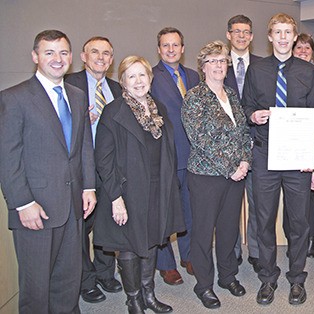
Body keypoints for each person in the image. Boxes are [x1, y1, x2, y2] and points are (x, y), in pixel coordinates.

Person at [0, 29, 96, 314]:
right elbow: (8, 156)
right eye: (49, 52)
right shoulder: (14, 98)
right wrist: (22, 204)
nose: (58, 59)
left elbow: (83, 147)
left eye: (63, 52)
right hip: (35, 209)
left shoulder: (78, 96)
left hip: (73, 205)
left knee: (68, 279)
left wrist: (88, 186)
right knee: (36, 287)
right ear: (35, 57)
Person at [241, 13, 314, 306]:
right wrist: (253, 115)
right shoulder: (256, 69)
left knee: (299, 221)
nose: (284, 37)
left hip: (297, 158)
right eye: (278, 32)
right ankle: (267, 277)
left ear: (294, 36)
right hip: (264, 154)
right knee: (263, 219)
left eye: (288, 32)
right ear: (270, 36)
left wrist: (309, 156)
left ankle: (297, 278)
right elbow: (246, 106)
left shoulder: (308, 71)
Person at [94, 56, 185, 313]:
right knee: (129, 247)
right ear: (122, 81)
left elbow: (169, 151)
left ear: (150, 78)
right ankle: (133, 298)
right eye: (131, 76)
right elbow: (103, 160)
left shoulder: (160, 109)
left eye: (142, 75)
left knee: (152, 241)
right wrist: (115, 198)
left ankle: (149, 294)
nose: (138, 81)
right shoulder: (114, 112)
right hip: (127, 191)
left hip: (157, 188)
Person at [181, 40, 252, 309]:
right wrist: (230, 167)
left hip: (236, 175)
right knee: (202, 232)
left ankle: (227, 276)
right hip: (206, 177)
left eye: (223, 61)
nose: (219, 65)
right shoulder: (195, 97)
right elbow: (200, 138)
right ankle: (204, 285)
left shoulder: (232, 95)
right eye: (213, 61)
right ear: (203, 66)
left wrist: (245, 160)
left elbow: (243, 131)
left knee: (228, 230)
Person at [65, 36, 123, 304]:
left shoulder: (117, 88)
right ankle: (85, 280)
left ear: (111, 60)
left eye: (107, 53)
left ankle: (105, 273)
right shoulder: (68, 85)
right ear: (83, 56)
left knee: (107, 224)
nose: (101, 57)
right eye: (95, 52)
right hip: (80, 170)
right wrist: (79, 122)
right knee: (79, 228)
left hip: (110, 168)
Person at [150, 27, 200, 286]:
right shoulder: (150, 77)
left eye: (175, 45)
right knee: (164, 212)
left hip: (191, 156)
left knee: (190, 210)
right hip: (164, 156)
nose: (171, 49)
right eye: (165, 45)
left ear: (182, 48)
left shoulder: (193, 76)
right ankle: (166, 264)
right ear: (159, 49)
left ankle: (188, 255)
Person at [223, 14, 262, 270]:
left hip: (258, 144)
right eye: (237, 31)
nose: (241, 36)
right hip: (227, 149)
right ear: (228, 34)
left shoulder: (262, 66)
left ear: (251, 36)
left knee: (259, 203)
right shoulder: (216, 65)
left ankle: (257, 252)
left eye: (246, 32)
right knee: (230, 205)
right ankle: (232, 251)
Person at [291, 32, 314, 258]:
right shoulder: (284, 75)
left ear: (312, 53)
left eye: (306, 48)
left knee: (313, 196)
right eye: (298, 48)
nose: (302, 52)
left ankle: (311, 239)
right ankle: (296, 238)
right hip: (291, 144)